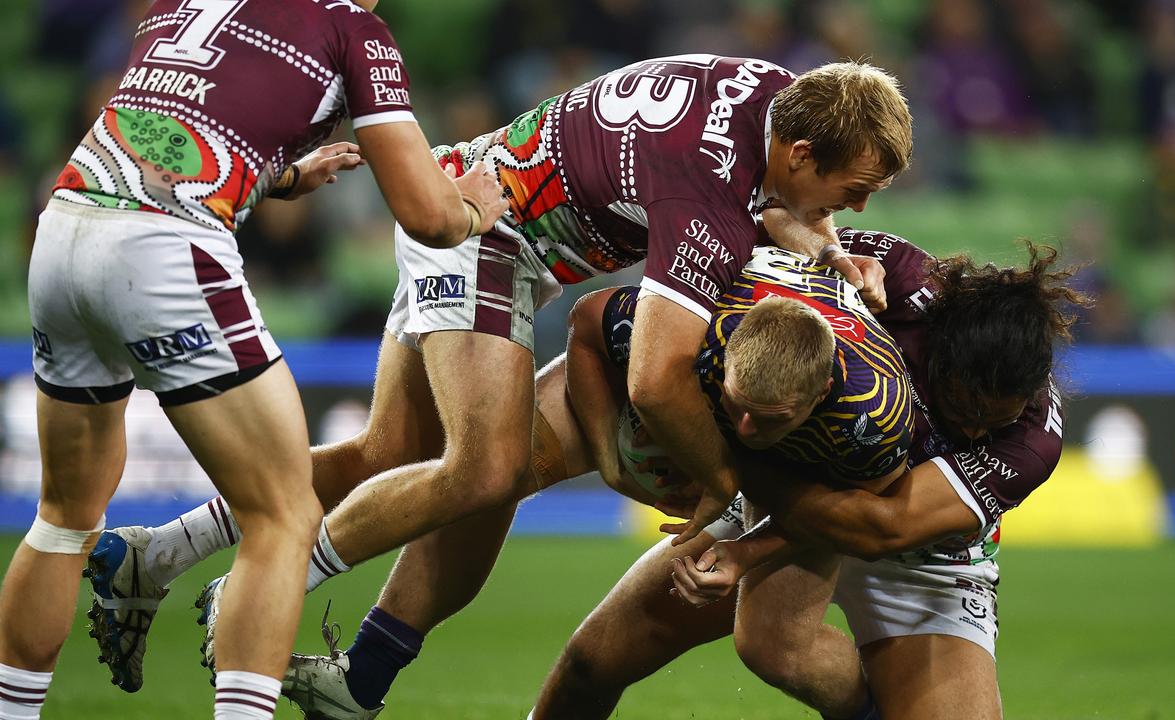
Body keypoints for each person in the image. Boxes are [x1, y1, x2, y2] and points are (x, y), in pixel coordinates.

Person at [87, 54, 914, 697]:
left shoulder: (776, 94)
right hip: (487, 234)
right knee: (487, 466)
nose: (861, 206)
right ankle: (260, 590)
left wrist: (834, 252)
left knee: (388, 454)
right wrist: (723, 487)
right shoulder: (704, 190)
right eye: (856, 188)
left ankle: (152, 556)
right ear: (800, 151)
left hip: (470, 200)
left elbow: (783, 200)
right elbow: (657, 381)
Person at [1, 0, 508, 718]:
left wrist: (279, 176)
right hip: (165, 248)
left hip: (65, 229)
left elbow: (172, 129)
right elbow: (426, 213)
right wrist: (471, 208)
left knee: (62, 515)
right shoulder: (353, 30)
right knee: (281, 514)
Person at [279, 240, 912, 718]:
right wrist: (613, 456)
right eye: (735, 404)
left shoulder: (873, 421)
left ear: (823, 392)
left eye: (766, 420)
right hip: (694, 415)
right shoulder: (695, 334)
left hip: (794, 493)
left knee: (776, 649)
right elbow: (588, 323)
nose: (745, 426)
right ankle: (362, 674)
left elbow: (859, 516)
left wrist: (746, 552)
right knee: (490, 477)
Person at [531, 232, 1088, 720]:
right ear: (938, 348)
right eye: (961, 411)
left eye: (992, 422)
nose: (971, 433)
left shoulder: (1034, 441)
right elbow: (762, 235)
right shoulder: (892, 275)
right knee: (594, 660)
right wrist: (824, 252)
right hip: (801, 486)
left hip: (924, 558)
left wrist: (721, 465)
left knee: (776, 640)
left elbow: (881, 527)